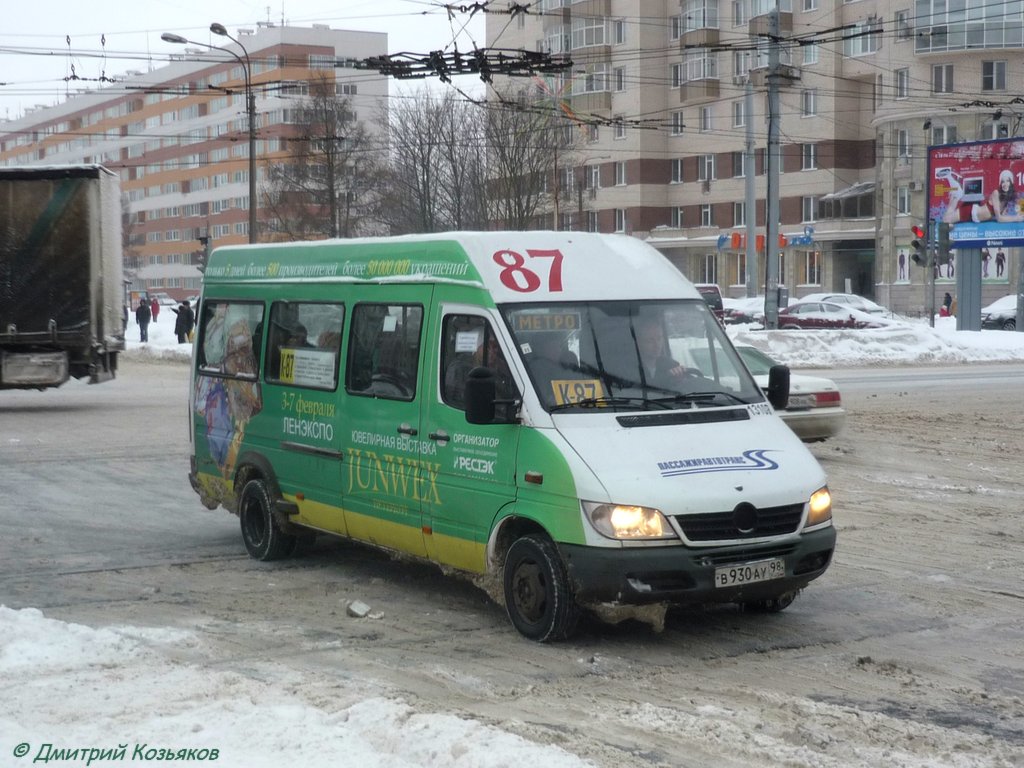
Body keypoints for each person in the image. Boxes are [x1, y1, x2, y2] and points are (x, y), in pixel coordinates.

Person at [944, 169, 1024, 225]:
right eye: (1003, 181)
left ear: (1011, 183)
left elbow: (1003, 216)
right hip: (971, 211)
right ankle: (956, 193)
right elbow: (999, 218)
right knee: (945, 221)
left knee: (948, 216)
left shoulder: (1006, 199)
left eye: (1007, 181)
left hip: (974, 217)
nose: (1005, 184)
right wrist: (1016, 218)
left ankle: (955, 194)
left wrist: (1018, 216)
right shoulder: (996, 193)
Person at [635, 317, 690, 390]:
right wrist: (665, 377)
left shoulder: (671, 365)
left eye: (659, 338)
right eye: (650, 340)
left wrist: (679, 381)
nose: (657, 345)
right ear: (639, 343)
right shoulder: (628, 369)